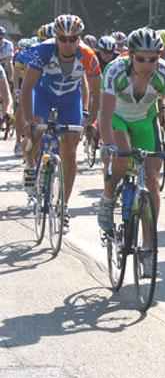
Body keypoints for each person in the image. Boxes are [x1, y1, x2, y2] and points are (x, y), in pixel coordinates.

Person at [97, 28, 165, 233]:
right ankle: (108, 198)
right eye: (141, 59)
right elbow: (105, 114)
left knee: (152, 179)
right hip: (117, 117)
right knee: (122, 153)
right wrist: (108, 145)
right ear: (130, 55)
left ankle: (149, 241)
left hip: (145, 118)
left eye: (153, 59)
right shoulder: (115, 70)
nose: (147, 65)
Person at [20, 14, 101, 232]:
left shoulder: (88, 56)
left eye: (72, 39)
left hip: (70, 99)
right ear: (56, 38)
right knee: (36, 133)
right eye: (62, 39)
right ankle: (30, 165)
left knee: (70, 152)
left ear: (78, 39)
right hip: (43, 95)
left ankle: (63, 207)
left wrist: (90, 120)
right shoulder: (43, 51)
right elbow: (27, 89)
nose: (67, 44)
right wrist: (28, 121)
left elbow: (97, 93)